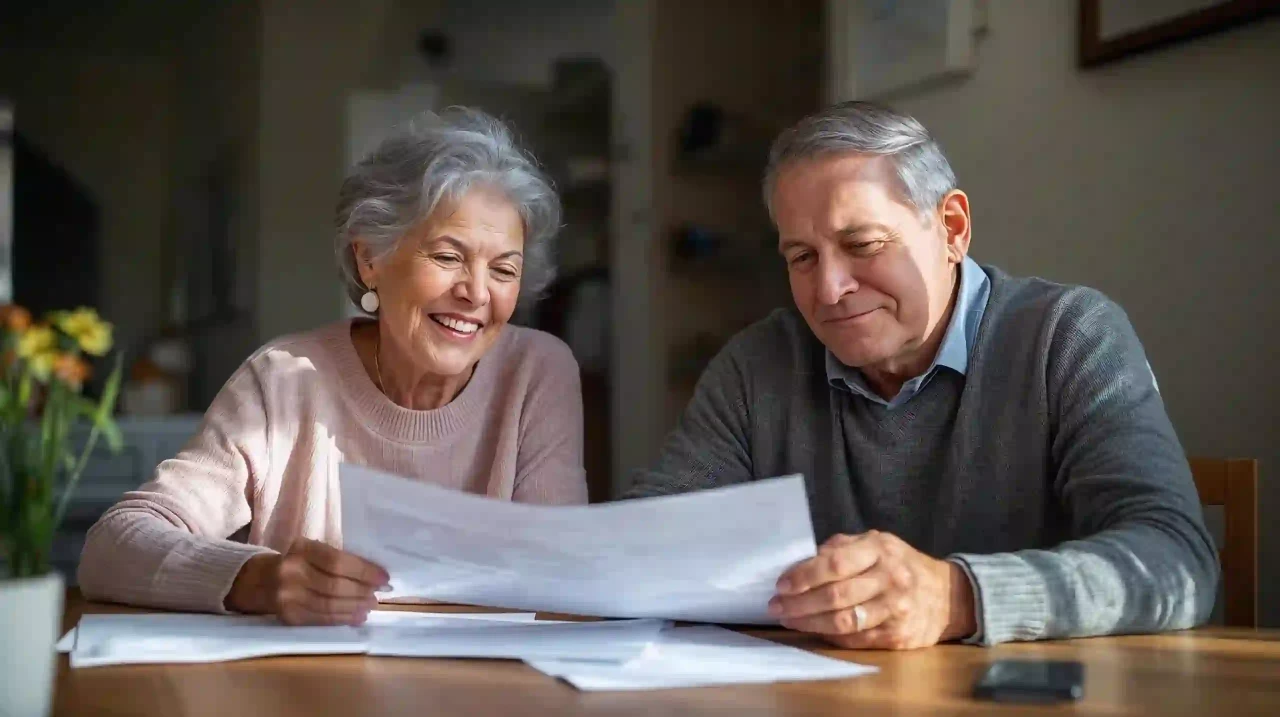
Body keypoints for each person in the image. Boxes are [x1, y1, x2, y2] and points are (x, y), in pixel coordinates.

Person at [627, 102, 1217, 648]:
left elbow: (1176, 560)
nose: (829, 290)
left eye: (863, 244)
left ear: (953, 229)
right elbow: (646, 543)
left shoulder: (1068, 337)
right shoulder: (757, 366)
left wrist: (954, 598)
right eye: (802, 257)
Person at [79, 108, 587, 625]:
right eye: (447, 257)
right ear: (370, 259)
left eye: (503, 269)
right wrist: (260, 579)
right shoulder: (283, 381)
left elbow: (562, 574)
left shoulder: (536, 373)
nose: (476, 293)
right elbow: (114, 545)